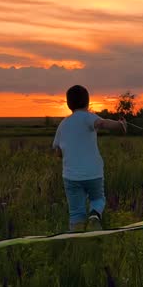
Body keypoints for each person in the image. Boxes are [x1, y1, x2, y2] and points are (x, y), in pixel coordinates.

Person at [52, 85, 127, 231]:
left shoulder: (63, 124)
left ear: (68, 104)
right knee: (98, 199)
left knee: (76, 212)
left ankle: (77, 236)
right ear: (87, 102)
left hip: (71, 176)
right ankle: (94, 215)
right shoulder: (88, 117)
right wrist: (120, 125)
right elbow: (102, 123)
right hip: (94, 173)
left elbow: (58, 152)